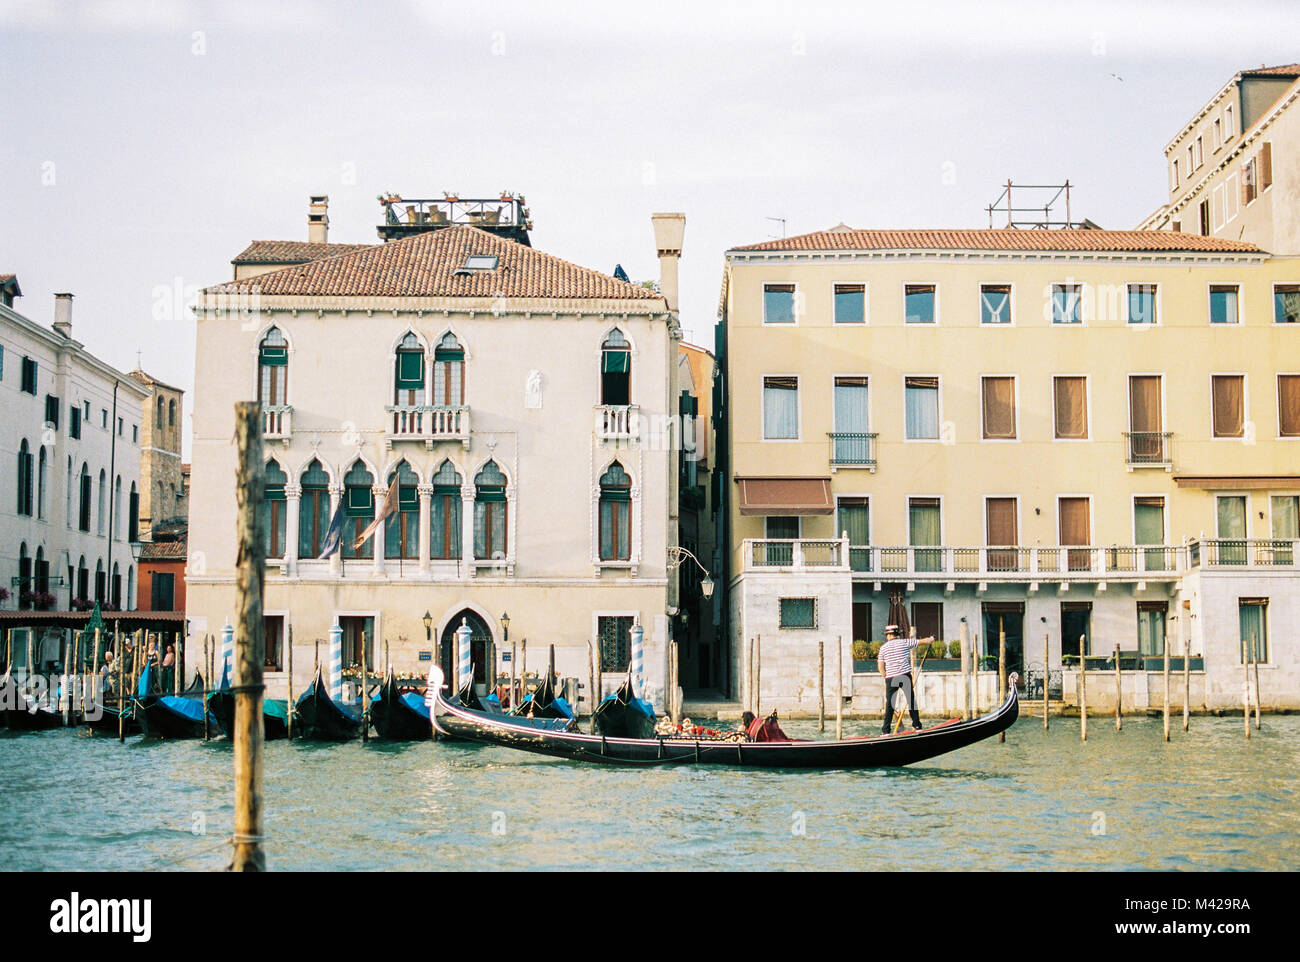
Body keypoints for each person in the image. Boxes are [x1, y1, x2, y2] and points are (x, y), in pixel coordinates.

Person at [879, 624, 922, 732]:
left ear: (888, 635)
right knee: (911, 700)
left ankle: (886, 730)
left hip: (891, 678)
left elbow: (880, 667)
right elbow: (921, 642)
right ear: (897, 634)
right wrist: (931, 639)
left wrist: (886, 676)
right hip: (904, 675)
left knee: (890, 704)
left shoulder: (883, 648)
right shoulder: (904, 642)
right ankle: (917, 726)